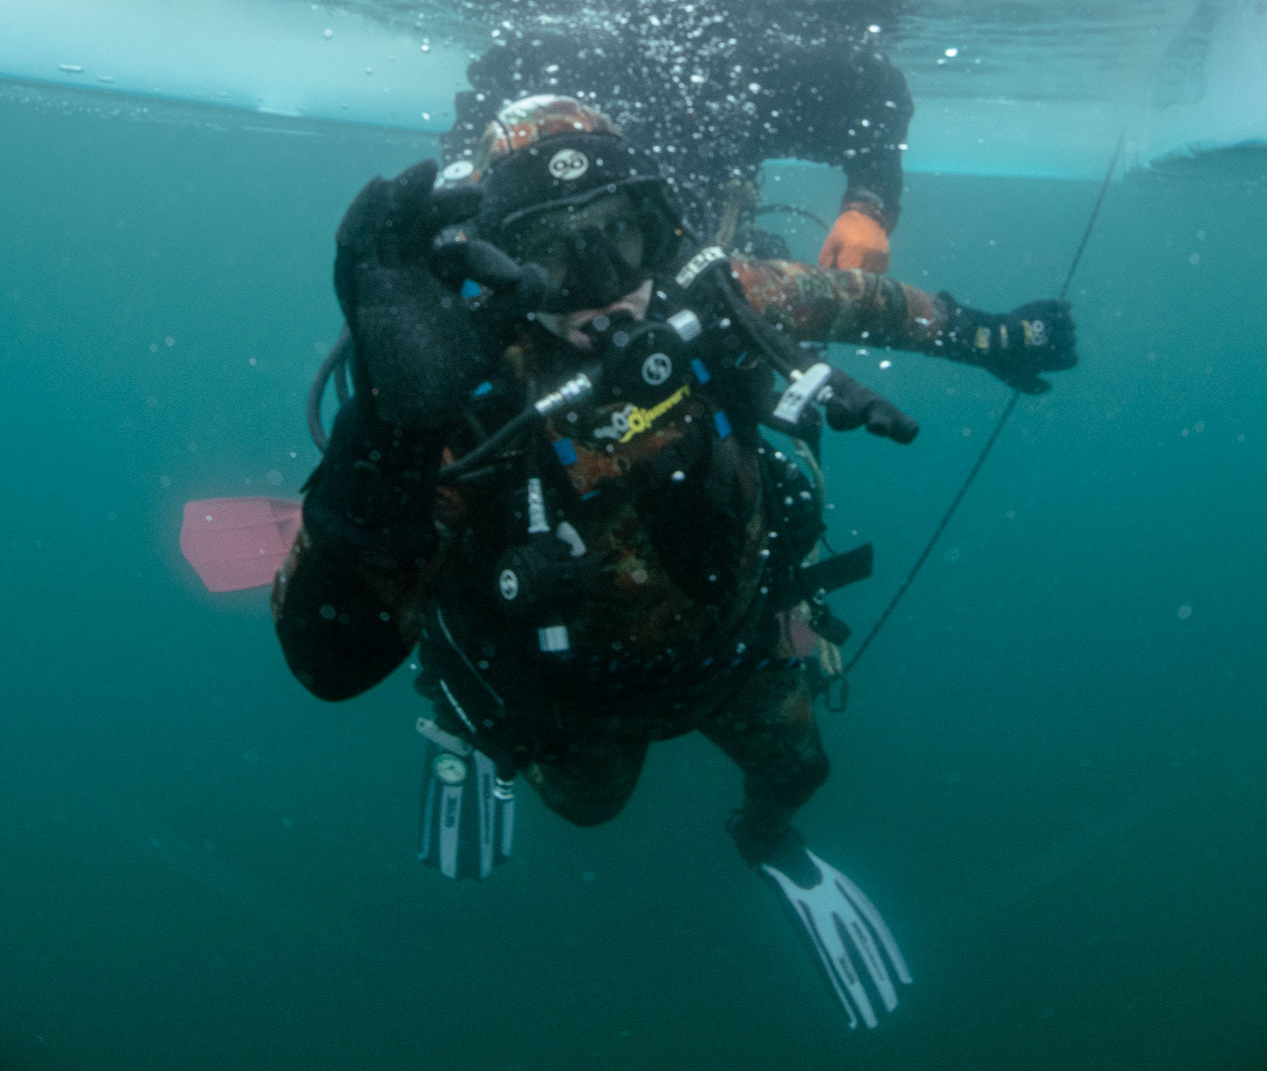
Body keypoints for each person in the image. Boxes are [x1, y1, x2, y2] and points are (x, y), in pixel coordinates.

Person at [273, 98, 1075, 1030]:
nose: (608, 289)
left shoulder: (716, 294)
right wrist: (391, 429)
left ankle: (767, 840)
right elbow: (329, 661)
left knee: (801, 771)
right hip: (567, 694)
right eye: (557, 259)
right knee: (588, 810)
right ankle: (462, 714)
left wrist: (992, 337)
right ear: (500, 264)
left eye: (625, 237)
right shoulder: (470, 392)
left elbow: (864, 303)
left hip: (732, 650)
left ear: (662, 226)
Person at [449, 26, 913, 273]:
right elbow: (479, 123)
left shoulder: (758, 79)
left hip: (708, 262)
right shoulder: (563, 57)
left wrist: (867, 209)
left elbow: (873, 95)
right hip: (549, 280)